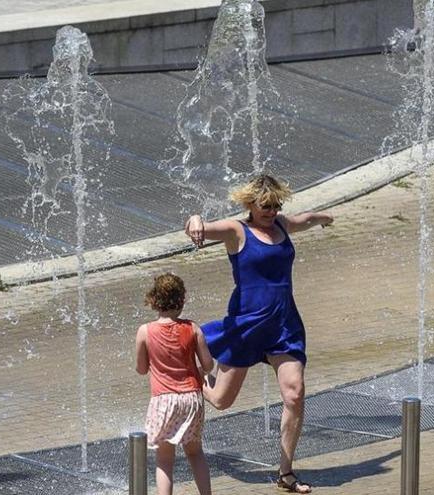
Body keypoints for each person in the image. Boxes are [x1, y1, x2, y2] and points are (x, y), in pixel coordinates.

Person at [184, 174, 333, 493]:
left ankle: (286, 472)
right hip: (247, 324)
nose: (271, 211)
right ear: (250, 203)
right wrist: (195, 220)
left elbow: (303, 219)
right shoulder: (236, 230)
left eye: (276, 205)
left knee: (294, 393)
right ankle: (195, 374)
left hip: (283, 324)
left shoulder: (281, 224)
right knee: (222, 401)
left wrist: (321, 218)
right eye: (265, 206)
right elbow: (201, 226)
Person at [136, 273, 214, 495]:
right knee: (195, 453)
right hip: (191, 398)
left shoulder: (145, 331)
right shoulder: (193, 328)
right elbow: (208, 365)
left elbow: (142, 369)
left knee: (164, 460)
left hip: (164, 400)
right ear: (181, 300)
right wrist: (196, 370)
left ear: (154, 300)